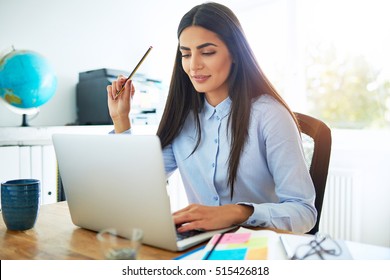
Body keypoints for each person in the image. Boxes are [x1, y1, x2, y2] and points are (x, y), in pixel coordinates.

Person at [107, 2, 317, 234]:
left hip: (256, 249)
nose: (194, 65)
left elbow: (303, 213)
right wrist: (121, 119)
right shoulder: (183, 118)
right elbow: (138, 184)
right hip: (198, 245)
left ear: (235, 53)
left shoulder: (270, 116)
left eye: (207, 52)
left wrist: (238, 212)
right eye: (186, 54)